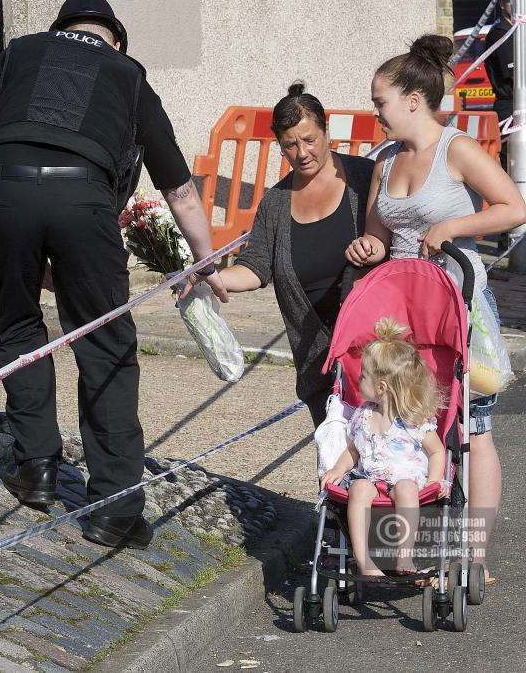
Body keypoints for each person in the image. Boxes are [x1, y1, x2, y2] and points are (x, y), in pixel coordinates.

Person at [0, 0, 227, 549]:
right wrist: (204, 260)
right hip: (85, 201)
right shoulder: (126, 72)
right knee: (104, 343)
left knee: (16, 327)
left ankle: (36, 468)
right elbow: (178, 188)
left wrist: (25, 244)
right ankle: (112, 507)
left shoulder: (16, 54)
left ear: (61, 29)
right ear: (112, 39)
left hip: (4, 194)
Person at [345, 34, 526, 582]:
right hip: (401, 313)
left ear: (413, 100)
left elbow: (514, 208)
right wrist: (367, 246)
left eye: (381, 102)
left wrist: (454, 226)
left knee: (471, 429)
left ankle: (472, 553)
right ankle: (405, 548)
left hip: (459, 299)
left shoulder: (458, 149)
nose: (375, 113)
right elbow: (379, 232)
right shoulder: (385, 161)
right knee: (410, 427)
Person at [184, 82, 374, 428]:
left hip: (375, 351)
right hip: (318, 359)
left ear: (326, 131)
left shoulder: (364, 178)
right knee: (334, 463)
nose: (302, 152)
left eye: (310, 139)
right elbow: (256, 266)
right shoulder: (275, 203)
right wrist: (210, 274)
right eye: (290, 144)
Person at [320, 317, 448, 576]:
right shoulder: (362, 415)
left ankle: (404, 555)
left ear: (381, 387)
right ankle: (363, 558)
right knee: (357, 488)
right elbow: (353, 450)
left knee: (406, 488)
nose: (359, 379)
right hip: (371, 480)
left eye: (363, 376)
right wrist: (338, 468)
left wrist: (435, 480)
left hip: (408, 482)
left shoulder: (413, 421)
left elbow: (436, 451)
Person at [485, 0, 514, 251]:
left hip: (519, 103)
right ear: (503, 3)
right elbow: (511, 72)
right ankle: (508, 238)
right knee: (512, 169)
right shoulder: (500, 33)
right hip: (509, 105)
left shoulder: (516, 30)